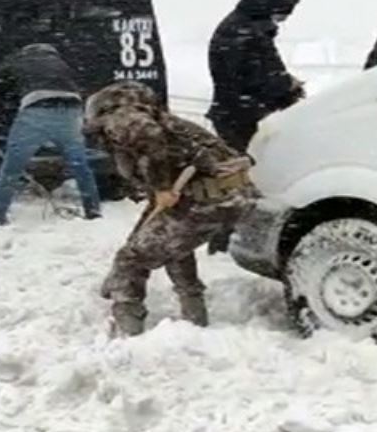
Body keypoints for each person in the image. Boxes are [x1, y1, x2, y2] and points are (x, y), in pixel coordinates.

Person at [86, 82, 259, 336]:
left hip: (207, 199)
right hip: (232, 196)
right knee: (172, 245)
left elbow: (149, 136)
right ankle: (194, 316)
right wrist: (140, 231)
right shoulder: (170, 125)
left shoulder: (124, 117)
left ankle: (127, 328)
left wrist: (161, 187)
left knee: (130, 259)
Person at [0, 43, 101, 228]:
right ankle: (93, 211)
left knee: (12, 168)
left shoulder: (16, 61)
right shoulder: (62, 64)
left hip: (37, 110)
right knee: (80, 165)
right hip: (72, 111)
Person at [207, 0, 304, 153]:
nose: (282, 20)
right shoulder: (249, 32)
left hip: (235, 113)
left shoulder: (240, 26)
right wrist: (287, 84)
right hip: (245, 116)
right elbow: (257, 77)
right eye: (282, 14)